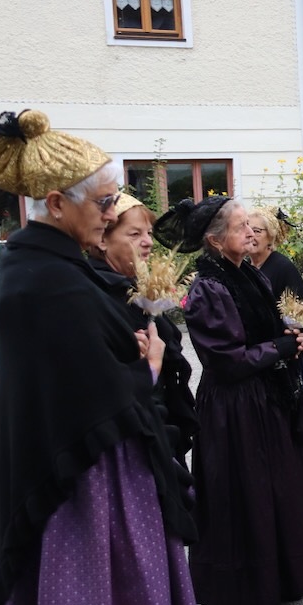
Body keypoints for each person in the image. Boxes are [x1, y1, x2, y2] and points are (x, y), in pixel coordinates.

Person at [0, 109, 214, 605]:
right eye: (104, 202)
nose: (111, 214)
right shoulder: (43, 280)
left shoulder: (49, 267)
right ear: (56, 202)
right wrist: (148, 368)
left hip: (97, 474)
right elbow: (90, 394)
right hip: (84, 490)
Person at [159, 195, 303, 605]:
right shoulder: (208, 288)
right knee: (246, 491)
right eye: (241, 227)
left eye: (251, 225)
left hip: (265, 396)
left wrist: (290, 338)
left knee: (276, 486)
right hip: (235, 407)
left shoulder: (248, 272)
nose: (251, 232)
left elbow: (262, 332)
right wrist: (279, 347)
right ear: (215, 241)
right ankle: (246, 590)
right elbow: (227, 359)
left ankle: (280, 580)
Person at [87, 192, 198, 467]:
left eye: (148, 233)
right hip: (133, 436)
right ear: (102, 239)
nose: (148, 242)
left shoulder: (133, 286)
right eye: (135, 234)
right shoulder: (97, 293)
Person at [250, 205, 303, 505]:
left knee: (298, 420)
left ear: (271, 237)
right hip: (265, 355)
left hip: (290, 355)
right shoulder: (248, 267)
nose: (251, 236)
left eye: (257, 231)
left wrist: (290, 331)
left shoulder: (281, 266)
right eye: (247, 230)